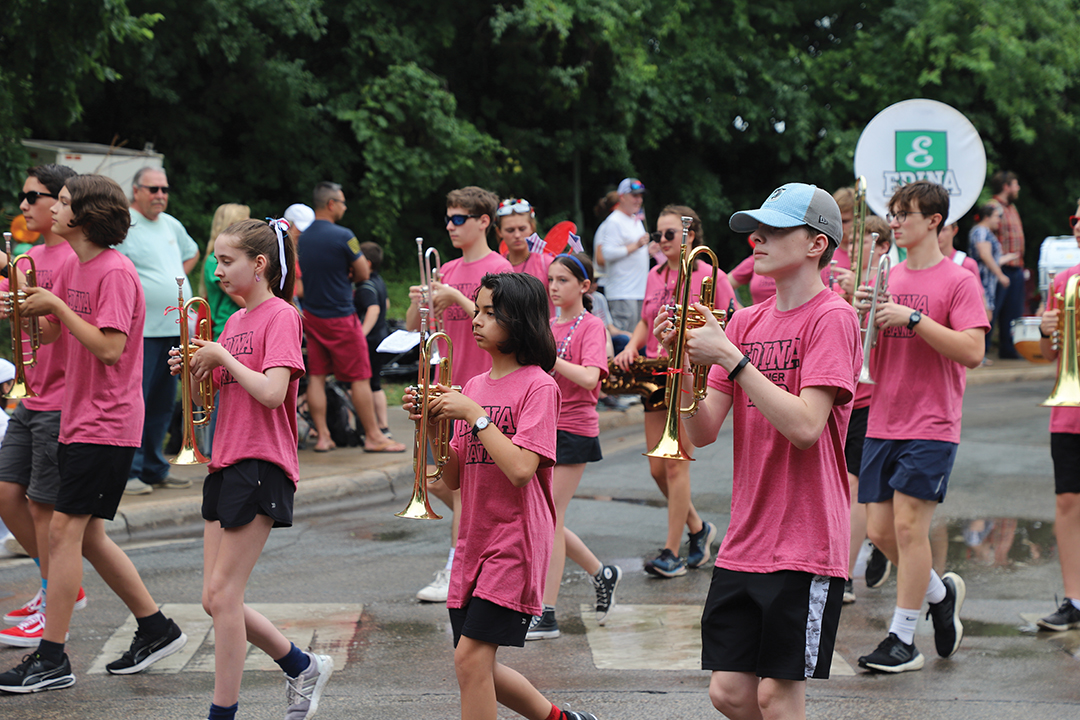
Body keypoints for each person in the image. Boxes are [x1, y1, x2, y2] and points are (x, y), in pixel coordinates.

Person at [663, 183, 860, 720]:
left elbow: (806, 426)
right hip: (747, 538)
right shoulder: (747, 321)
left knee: (777, 696)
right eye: (757, 228)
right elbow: (701, 432)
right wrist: (683, 364)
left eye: (774, 229)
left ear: (816, 243)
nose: (758, 237)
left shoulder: (833, 317)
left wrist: (731, 357)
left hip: (806, 539)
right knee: (728, 692)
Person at [0, 174, 186, 693]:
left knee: (63, 534)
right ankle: (155, 628)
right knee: (91, 538)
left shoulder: (114, 272)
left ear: (83, 216)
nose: (53, 209)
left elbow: (108, 348)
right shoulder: (78, 267)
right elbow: (55, 334)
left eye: (61, 202)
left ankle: (52, 658)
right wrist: (28, 306)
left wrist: (56, 306)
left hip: (106, 422)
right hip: (81, 417)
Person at [404, 272, 597, 720]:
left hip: (515, 543)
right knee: (478, 663)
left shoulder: (539, 385)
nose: (477, 319)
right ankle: (559, 719)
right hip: (474, 539)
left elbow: (521, 468)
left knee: (470, 660)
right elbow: (451, 476)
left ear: (521, 321)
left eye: (491, 313)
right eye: (478, 308)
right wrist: (429, 427)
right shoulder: (472, 385)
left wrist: (474, 416)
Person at [170, 218, 332, 720]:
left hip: (262, 461)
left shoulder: (280, 315)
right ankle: (302, 665)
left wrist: (219, 355)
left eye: (225, 260)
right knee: (213, 599)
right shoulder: (235, 320)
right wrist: (196, 367)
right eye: (216, 260)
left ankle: (223, 712)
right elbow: (224, 391)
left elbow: (272, 391)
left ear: (258, 265)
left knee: (224, 596)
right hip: (227, 458)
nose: (217, 269)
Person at [855, 180, 989, 674]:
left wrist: (912, 318)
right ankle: (939, 593)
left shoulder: (958, 281)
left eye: (904, 214)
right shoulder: (887, 271)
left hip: (932, 422)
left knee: (910, 529)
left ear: (934, 220)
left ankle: (903, 638)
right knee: (879, 530)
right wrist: (864, 312)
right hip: (883, 416)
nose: (895, 222)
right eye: (892, 214)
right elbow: (867, 351)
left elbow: (973, 352)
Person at [613, 206, 736, 577]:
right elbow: (646, 320)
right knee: (656, 468)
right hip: (655, 370)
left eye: (670, 234)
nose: (662, 241)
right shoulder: (653, 274)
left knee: (675, 466)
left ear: (690, 236)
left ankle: (672, 552)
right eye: (658, 235)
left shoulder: (711, 274)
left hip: (687, 373)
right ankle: (699, 530)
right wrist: (632, 344)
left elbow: (729, 322)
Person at [405, 187, 513, 603]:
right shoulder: (445, 268)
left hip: (482, 384)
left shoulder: (499, 267)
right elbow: (419, 327)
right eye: (448, 218)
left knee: (463, 485)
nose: (450, 226)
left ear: (483, 221)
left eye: (458, 219)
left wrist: (458, 299)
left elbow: (505, 322)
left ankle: (457, 568)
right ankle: (480, 539)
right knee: (436, 478)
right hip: (444, 382)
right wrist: (420, 301)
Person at [0, 164, 86, 648]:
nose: (25, 205)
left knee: (43, 507)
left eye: (34, 196)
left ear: (61, 202)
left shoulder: (74, 258)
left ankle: (59, 594)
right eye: (24, 195)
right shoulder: (28, 255)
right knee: (7, 493)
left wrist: (37, 307)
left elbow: (60, 326)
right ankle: (55, 587)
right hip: (32, 392)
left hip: (63, 396)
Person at [527, 254, 621, 640]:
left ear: (584, 287)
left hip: (575, 429)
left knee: (550, 518)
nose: (553, 286)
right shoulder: (547, 324)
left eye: (562, 280)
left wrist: (552, 359)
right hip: (543, 427)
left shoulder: (592, 325)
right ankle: (602, 572)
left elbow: (589, 377)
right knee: (547, 517)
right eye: (550, 279)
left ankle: (546, 612)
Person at [297, 182, 403, 454]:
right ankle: (373, 436)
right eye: (342, 202)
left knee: (318, 376)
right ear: (331, 204)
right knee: (360, 376)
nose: (344, 207)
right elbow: (363, 274)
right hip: (341, 316)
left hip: (312, 315)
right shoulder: (345, 236)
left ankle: (323, 437)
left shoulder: (302, 238)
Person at [120, 166, 200, 495]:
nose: (160, 195)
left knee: (164, 402)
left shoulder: (171, 224)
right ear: (136, 190)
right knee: (137, 399)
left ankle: (155, 467)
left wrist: (170, 281)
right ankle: (131, 471)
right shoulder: (124, 223)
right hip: (143, 330)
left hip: (174, 327)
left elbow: (192, 252)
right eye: (153, 189)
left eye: (164, 189)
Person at [834, 216, 893, 604]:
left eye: (866, 240)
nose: (856, 247)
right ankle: (877, 543)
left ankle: (845, 574)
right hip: (840, 394)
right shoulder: (839, 278)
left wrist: (866, 296)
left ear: (883, 246)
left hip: (871, 398)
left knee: (855, 487)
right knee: (842, 487)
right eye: (853, 239)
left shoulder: (890, 281)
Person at [1035, 199, 1080, 632]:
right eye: (1076, 218)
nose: (1079, 225)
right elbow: (1049, 353)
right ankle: (1074, 598)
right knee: (1067, 501)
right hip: (1069, 407)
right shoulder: (1065, 281)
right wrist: (1048, 329)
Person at [594, 178, 650, 333]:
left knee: (635, 341)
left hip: (638, 291)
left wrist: (649, 251)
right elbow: (607, 253)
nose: (639, 200)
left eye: (640, 196)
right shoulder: (613, 221)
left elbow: (634, 253)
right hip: (622, 291)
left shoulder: (635, 220)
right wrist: (636, 245)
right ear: (622, 196)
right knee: (623, 340)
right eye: (634, 195)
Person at [969, 202, 1017, 356]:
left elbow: (990, 258)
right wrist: (1001, 275)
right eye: (996, 216)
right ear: (986, 217)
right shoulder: (982, 232)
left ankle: (981, 353)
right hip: (983, 281)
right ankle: (978, 353)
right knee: (985, 315)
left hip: (988, 280)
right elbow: (985, 256)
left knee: (988, 315)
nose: (999, 220)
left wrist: (1006, 258)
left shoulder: (983, 232)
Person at [355, 241, 392, 435]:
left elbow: (374, 309)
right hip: (381, 337)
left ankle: (369, 427)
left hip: (369, 342)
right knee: (375, 384)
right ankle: (383, 426)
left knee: (365, 384)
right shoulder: (379, 281)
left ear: (367, 263)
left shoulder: (365, 285)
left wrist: (360, 335)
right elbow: (385, 302)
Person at [990, 171, 1026, 359]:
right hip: (1000, 267)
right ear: (1006, 187)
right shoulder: (993, 206)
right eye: (1015, 184)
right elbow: (986, 234)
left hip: (1016, 266)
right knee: (994, 309)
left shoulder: (1012, 208)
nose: (1017, 188)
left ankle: (1009, 348)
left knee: (1013, 311)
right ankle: (984, 349)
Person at [496, 197, 554, 315]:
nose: (517, 235)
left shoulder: (547, 263)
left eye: (522, 229)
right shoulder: (495, 265)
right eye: (510, 230)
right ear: (499, 232)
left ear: (531, 228)